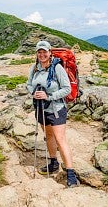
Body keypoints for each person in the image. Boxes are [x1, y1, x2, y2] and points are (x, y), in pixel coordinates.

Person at [26, 40, 80, 188]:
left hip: (56, 108)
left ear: (50, 53)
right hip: (41, 108)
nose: (42, 54)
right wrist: (33, 92)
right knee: (48, 136)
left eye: (44, 51)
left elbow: (67, 88)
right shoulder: (35, 68)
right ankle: (53, 162)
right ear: (37, 54)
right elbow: (28, 84)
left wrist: (49, 96)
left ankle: (70, 173)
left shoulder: (57, 68)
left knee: (60, 139)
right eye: (39, 52)